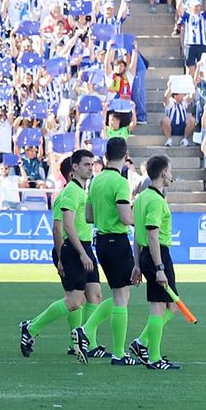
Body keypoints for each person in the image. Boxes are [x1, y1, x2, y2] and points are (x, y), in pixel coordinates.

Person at [18, 150, 101, 362]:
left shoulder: (80, 191)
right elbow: (59, 228)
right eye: (86, 164)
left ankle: (85, 343)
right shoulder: (69, 193)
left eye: (91, 164)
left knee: (94, 295)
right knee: (74, 301)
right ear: (74, 169)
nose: (90, 168)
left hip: (84, 247)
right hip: (73, 248)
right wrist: (65, 257)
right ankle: (31, 327)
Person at [78, 136, 140, 365]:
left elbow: (88, 216)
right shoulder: (120, 182)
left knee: (119, 295)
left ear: (105, 156)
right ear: (125, 156)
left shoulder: (96, 181)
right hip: (117, 241)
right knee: (122, 298)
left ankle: (87, 330)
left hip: (101, 241)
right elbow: (125, 217)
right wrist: (138, 218)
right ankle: (118, 353)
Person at [131, 155, 182, 370]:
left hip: (148, 255)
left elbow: (137, 234)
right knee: (159, 307)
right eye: (170, 170)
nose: (171, 174)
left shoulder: (142, 198)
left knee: (171, 305)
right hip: (158, 255)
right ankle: (154, 357)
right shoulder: (156, 201)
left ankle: (142, 343)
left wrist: (137, 264)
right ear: (163, 173)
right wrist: (159, 267)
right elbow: (152, 235)